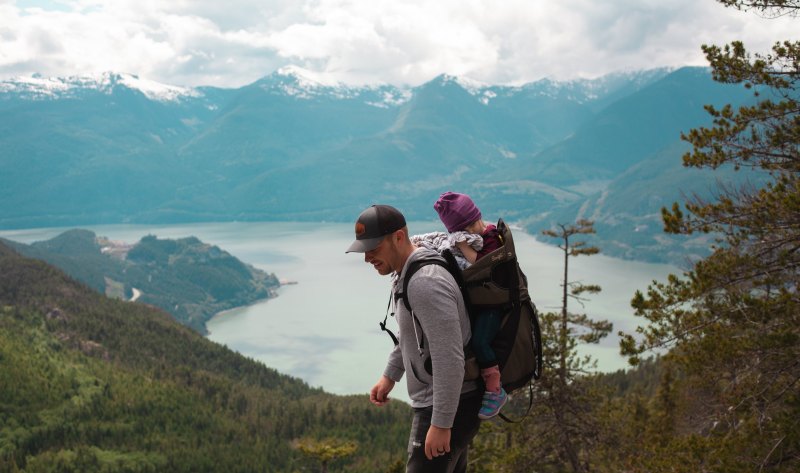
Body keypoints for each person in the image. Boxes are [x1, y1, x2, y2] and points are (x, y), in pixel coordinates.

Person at [345, 204, 482, 472]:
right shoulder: (408, 272)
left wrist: (442, 423)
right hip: (450, 400)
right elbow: (415, 335)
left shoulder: (424, 282)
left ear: (398, 236)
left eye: (373, 248)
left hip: (447, 404)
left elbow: (449, 358)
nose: (367, 258)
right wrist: (390, 374)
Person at [434, 192, 506, 420]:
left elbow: (481, 264)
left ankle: (495, 390)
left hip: (493, 303)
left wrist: (463, 245)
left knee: (480, 341)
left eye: (465, 230)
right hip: (484, 300)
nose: (464, 235)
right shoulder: (484, 233)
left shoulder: (492, 236)